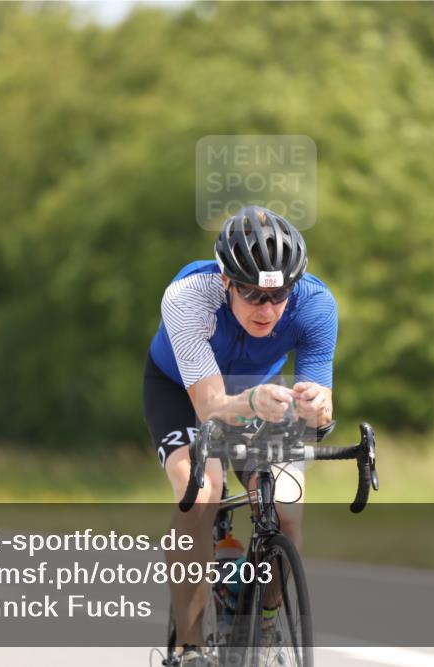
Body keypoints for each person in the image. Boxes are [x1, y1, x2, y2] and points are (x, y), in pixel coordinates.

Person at [143, 206, 338, 666]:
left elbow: (322, 408)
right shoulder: (189, 297)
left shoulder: (316, 304)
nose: (267, 309)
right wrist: (251, 402)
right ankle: (190, 647)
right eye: (252, 294)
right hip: (183, 390)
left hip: (261, 393)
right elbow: (210, 405)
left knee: (286, 508)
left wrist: (317, 407)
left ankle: (265, 627)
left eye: (278, 295)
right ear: (227, 280)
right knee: (202, 491)